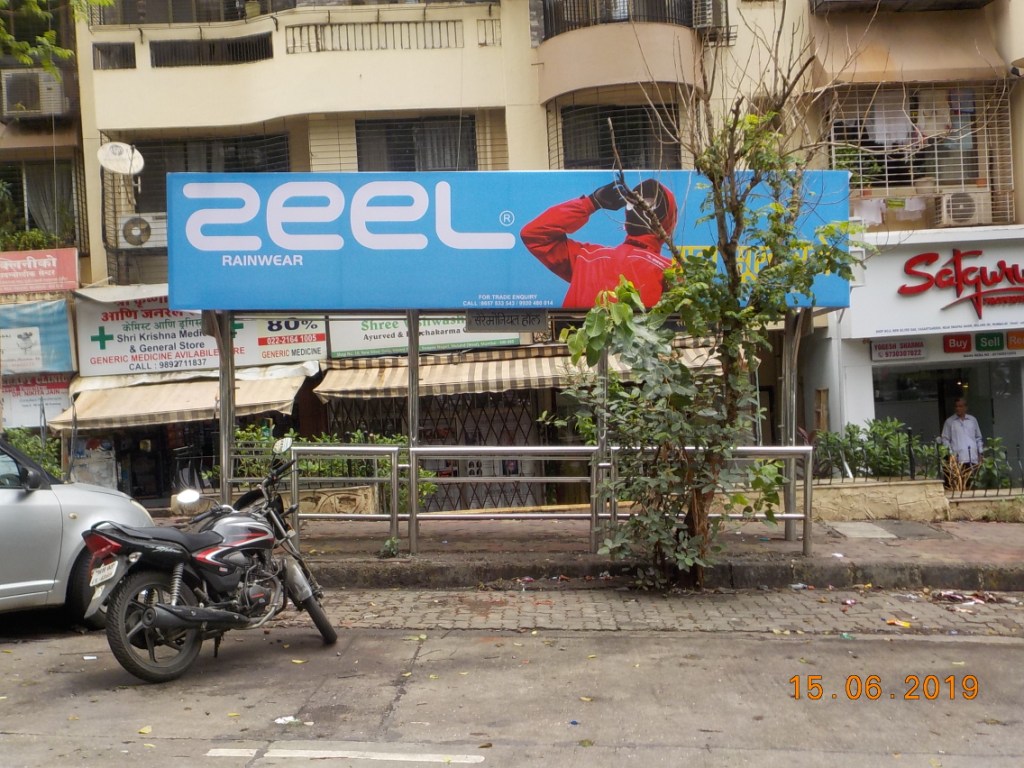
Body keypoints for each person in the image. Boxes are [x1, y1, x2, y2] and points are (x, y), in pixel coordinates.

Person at [519, 178, 678, 308]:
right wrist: (590, 203)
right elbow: (533, 235)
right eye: (636, 202)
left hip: (576, 346)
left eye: (647, 204)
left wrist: (591, 203)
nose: (638, 208)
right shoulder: (669, 271)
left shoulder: (587, 258)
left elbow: (534, 235)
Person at [940, 397, 984, 487]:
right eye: (956, 406)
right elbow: (945, 439)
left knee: (973, 483)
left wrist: (981, 452)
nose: (958, 408)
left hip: (973, 457)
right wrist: (951, 454)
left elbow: (978, 437)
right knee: (960, 484)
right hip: (958, 459)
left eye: (960, 406)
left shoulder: (972, 420)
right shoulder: (950, 422)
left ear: (965, 407)